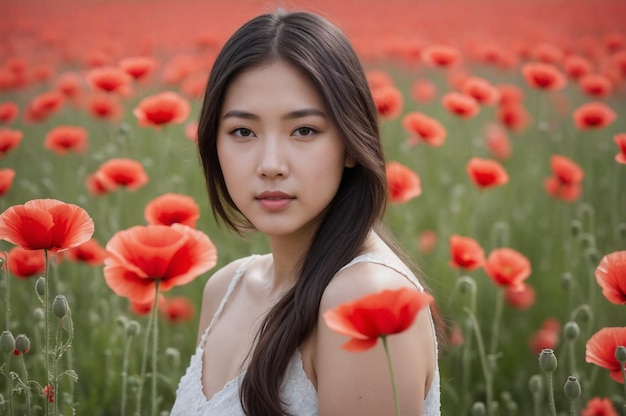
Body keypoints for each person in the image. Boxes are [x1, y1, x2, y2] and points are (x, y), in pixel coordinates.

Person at [171, 9, 440, 416]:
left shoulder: (366, 296)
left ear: (351, 143)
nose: (271, 164)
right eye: (243, 131)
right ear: (214, 144)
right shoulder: (225, 290)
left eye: (304, 131)